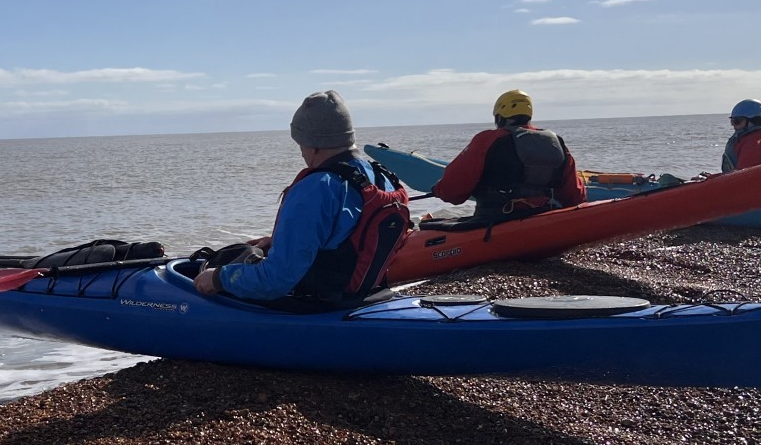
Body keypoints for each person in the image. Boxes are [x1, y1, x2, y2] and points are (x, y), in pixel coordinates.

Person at [193, 91, 408, 306]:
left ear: (315, 144)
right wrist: (280, 242)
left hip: (315, 305)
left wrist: (218, 278)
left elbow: (276, 279)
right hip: (366, 296)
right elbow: (351, 237)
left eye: (301, 143)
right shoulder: (380, 177)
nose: (302, 152)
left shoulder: (316, 188)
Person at [429, 89, 587, 220]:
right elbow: (575, 195)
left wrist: (439, 190)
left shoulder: (488, 139)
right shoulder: (555, 141)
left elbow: (453, 190)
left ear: (499, 116)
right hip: (543, 217)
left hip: (496, 220)